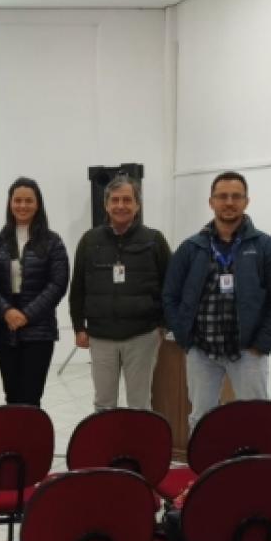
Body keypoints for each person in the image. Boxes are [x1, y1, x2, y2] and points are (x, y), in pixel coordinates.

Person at [163, 171, 271, 429]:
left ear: (246, 201)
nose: (229, 202)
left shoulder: (266, 247)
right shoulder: (191, 248)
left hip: (248, 352)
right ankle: (206, 458)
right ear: (211, 202)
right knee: (201, 420)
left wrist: (262, 343)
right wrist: (184, 338)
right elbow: (170, 295)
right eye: (222, 196)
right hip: (202, 352)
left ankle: (253, 458)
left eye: (236, 196)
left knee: (255, 419)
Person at [68, 175, 172, 410]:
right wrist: (78, 327)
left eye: (127, 200)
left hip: (142, 336)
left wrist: (163, 325)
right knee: (104, 404)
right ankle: (108, 437)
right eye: (115, 200)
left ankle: (139, 437)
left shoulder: (154, 240)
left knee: (140, 403)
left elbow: (170, 285)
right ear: (106, 205)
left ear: (137, 205)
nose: (120, 205)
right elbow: (78, 287)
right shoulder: (89, 240)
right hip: (101, 336)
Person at [0, 177, 70, 406]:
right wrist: (6, 311)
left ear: (38, 204)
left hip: (39, 331)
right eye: (18, 200)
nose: (22, 205)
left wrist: (26, 315)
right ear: (10, 203)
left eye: (28, 201)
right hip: (5, 330)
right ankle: (14, 432)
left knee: (31, 397)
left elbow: (58, 284)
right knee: (12, 396)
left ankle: (31, 432)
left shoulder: (53, 242)